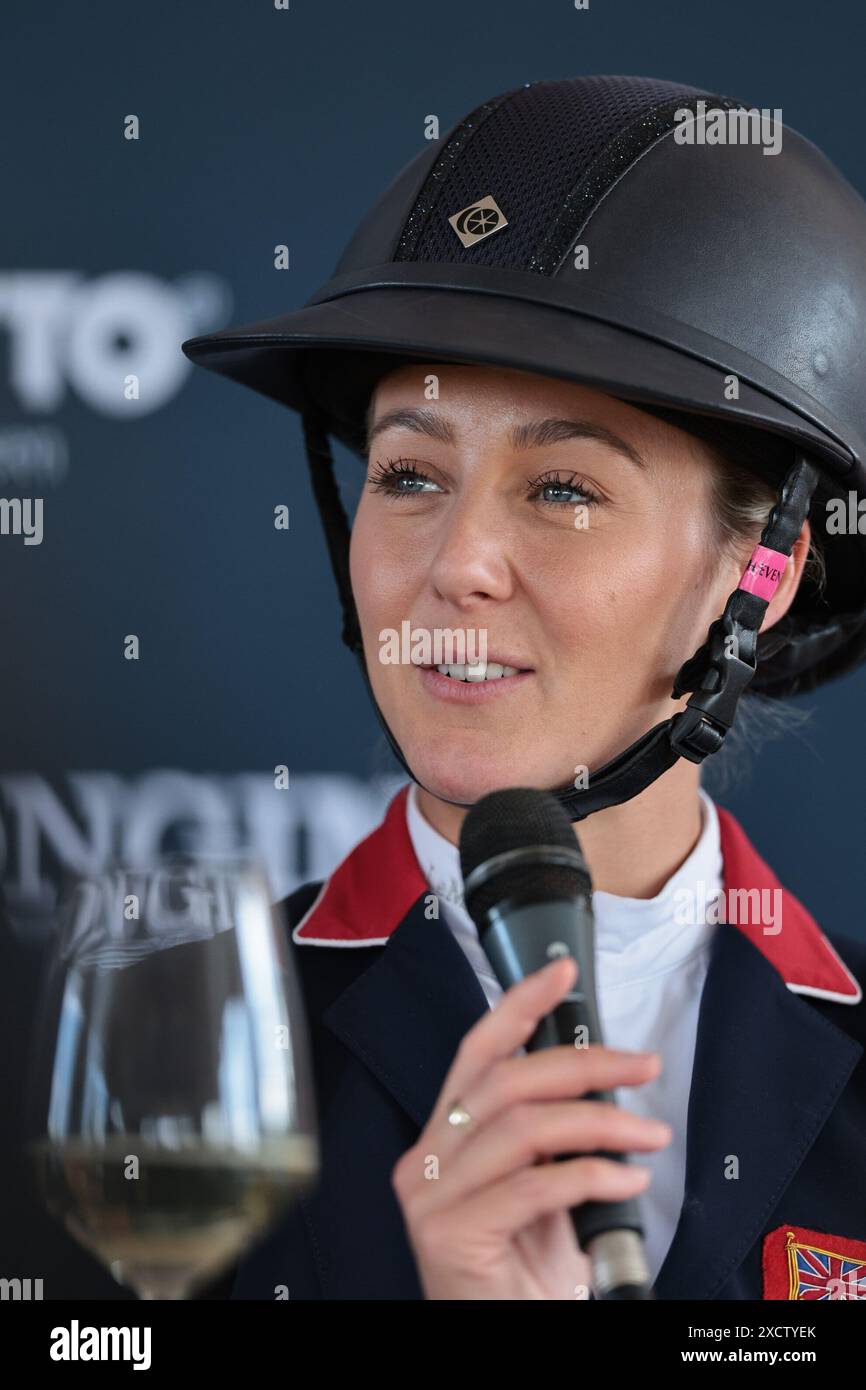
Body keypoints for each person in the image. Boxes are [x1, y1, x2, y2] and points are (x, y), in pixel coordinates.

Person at [183, 74, 866, 1300]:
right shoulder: (173, 1048)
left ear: (758, 570)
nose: (454, 567)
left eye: (563, 489)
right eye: (406, 476)